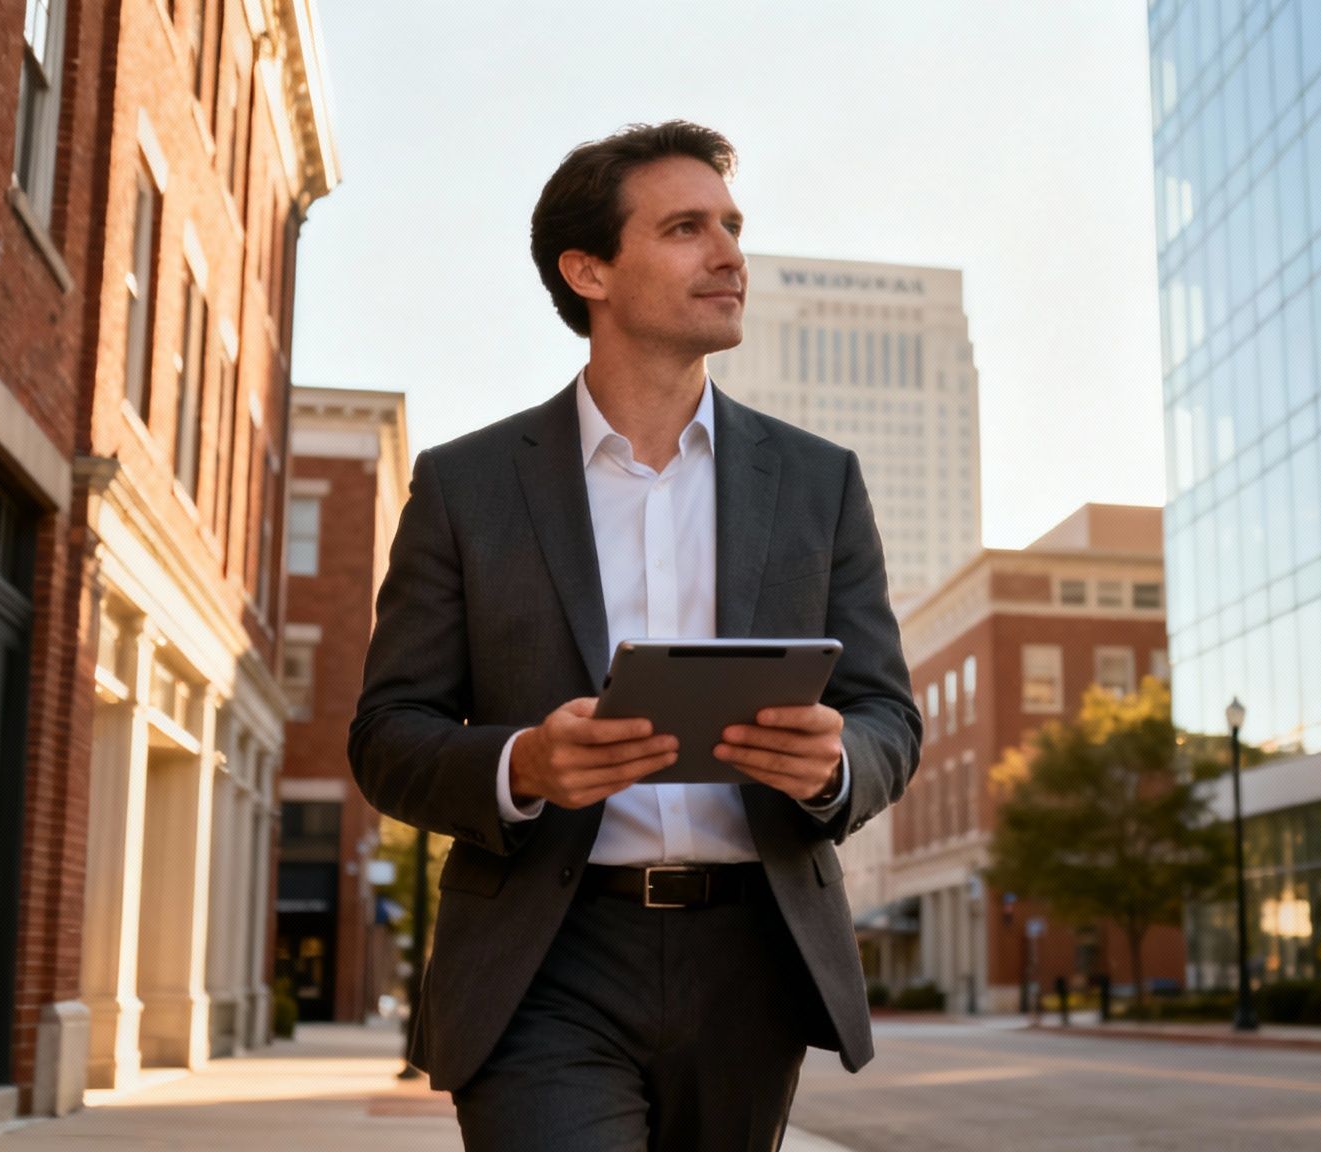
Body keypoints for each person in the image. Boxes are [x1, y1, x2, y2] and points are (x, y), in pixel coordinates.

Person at [348, 120, 921, 1152]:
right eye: (686, 227)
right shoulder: (464, 487)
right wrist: (523, 762)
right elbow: (388, 736)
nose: (729, 255)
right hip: (544, 955)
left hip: (755, 954)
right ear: (588, 271)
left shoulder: (816, 482)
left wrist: (836, 765)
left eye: (733, 227)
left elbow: (888, 714)